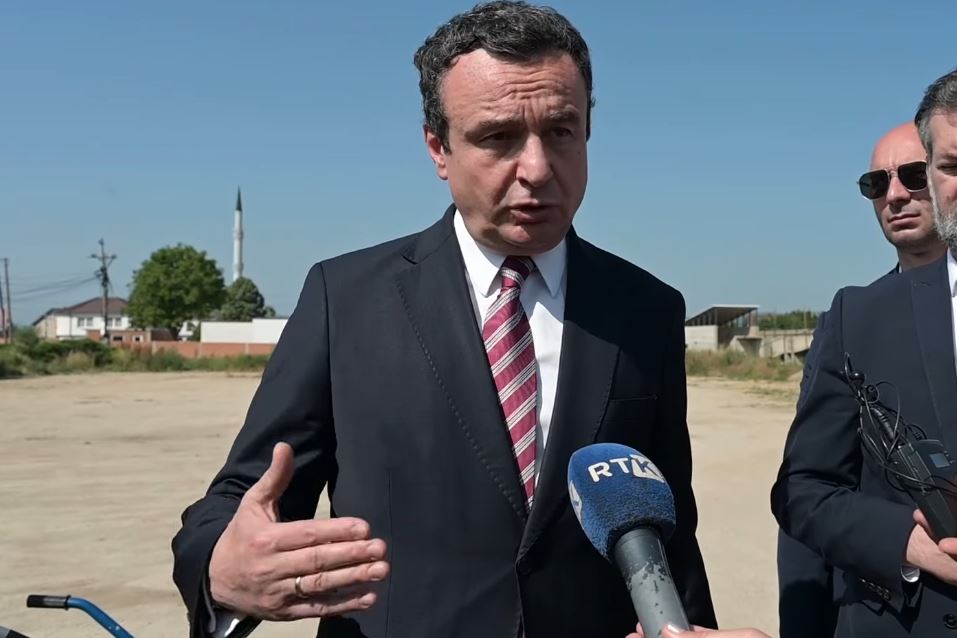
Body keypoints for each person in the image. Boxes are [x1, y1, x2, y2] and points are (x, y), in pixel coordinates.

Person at [171, 2, 717, 637]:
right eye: (498, 137)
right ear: (438, 147)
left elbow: (667, 531)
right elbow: (245, 498)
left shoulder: (647, 308)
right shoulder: (344, 300)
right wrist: (220, 569)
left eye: (561, 131)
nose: (537, 168)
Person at [771, 66, 957, 637]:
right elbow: (808, 492)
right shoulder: (854, 317)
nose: (895, 194)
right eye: (876, 183)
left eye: (912, 175)